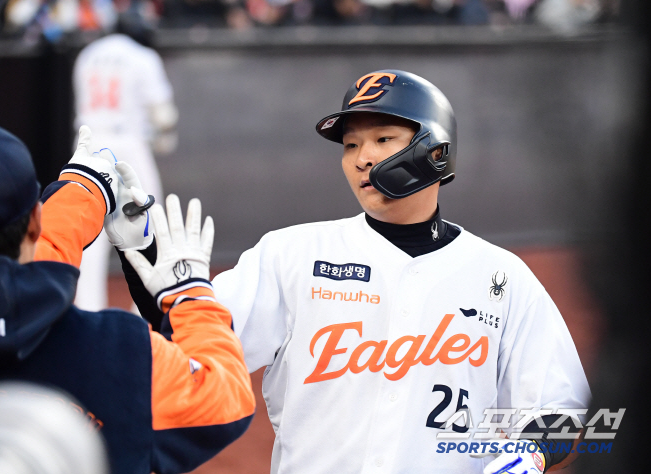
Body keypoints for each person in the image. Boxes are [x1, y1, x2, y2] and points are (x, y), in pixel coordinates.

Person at [204, 70, 590, 473]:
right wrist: (163, 289)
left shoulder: (502, 276)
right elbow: (196, 342)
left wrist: (532, 454)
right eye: (351, 144)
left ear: (435, 150)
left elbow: (559, 407)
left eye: (383, 139)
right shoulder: (290, 255)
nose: (361, 157)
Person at [0, 119, 255, 474]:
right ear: (35, 220)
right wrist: (189, 297)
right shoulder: (122, 351)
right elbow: (223, 398)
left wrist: (84, 191)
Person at [72, 19, 178, 311]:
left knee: (89, 231)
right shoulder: (142, 56)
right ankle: (147, 308)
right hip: (128, 145)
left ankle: (86, 308)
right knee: (149, 223)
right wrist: (162, 137)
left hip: (87, 145)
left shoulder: (88, 54)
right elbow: (164, 116)